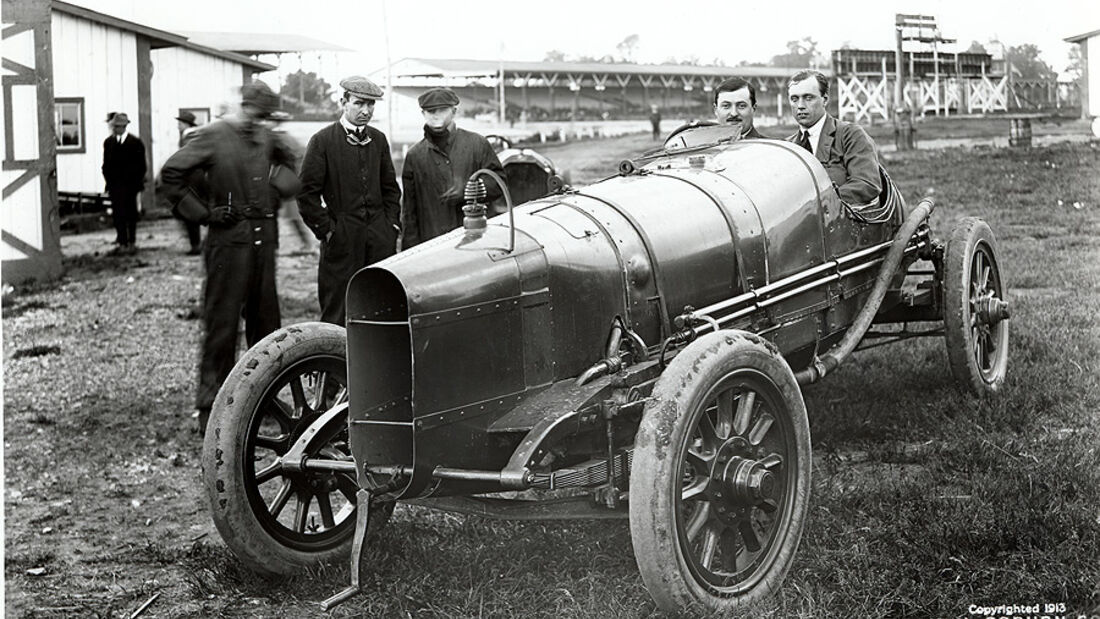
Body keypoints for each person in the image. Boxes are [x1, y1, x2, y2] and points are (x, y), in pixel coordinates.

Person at [157, 80, 297, 435]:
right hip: (227, 245)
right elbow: (170, 176)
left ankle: (265, 400)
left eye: (263, 115)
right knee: (221, 326)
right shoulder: (213, 135)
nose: (256, 120)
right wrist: (204, 213)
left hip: (264, 244)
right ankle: (211, 407)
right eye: (253, 111)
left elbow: (298, 165)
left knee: (267, 326)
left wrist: (277, 185)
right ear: (242, 106)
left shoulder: (267, 138)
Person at [296, 76, 401, 325]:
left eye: (371, 105)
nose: (366, 111)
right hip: (342, 240)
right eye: (359, 104)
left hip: (379, 240)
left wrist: (391, 227)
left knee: (381, 305)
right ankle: (337, 363)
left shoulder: (378, 140)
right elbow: (306, 194)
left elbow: (390, 189)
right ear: (344, 102)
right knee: (338, 309)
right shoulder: (322, 141)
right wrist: (328, 231)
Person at [400, 87, 504, 249]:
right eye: (430, 111)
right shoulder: (415, 155)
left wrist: (472, 189)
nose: (436, 115)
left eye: (442, 110)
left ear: (454, 111)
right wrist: (410, 252)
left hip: (476, 241)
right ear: (423, 114)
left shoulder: (477, 144)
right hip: (433, 245)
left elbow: (499, 183)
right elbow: (409, 212)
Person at [786, 70, 881, 205]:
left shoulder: (851, 135)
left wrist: (818, 203)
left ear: (825, 99)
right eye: (794, 99)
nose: (800, 106)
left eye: (808, 98)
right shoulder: (788, 147)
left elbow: (867, 184)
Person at [101, 112, 146, 253]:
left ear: (125, 126)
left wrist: (135, 184)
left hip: (131, 187)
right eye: (115, 126)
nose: (116, 129)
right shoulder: (108, 143)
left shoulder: (135, 143)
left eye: (119, 126)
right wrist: (109, 182)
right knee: (118, 215)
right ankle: (122, 242)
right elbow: (105, 166)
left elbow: (142, 167)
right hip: (115, 187)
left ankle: (132, 242)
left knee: (131, 215)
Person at [175, 111, 203, 255]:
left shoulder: (189, 138)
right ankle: (195, 242)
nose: (178, 126)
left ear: (186, 124)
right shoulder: (191, 137)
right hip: (194, 180)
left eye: (179, 123)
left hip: (191, 181)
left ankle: (196, 244)